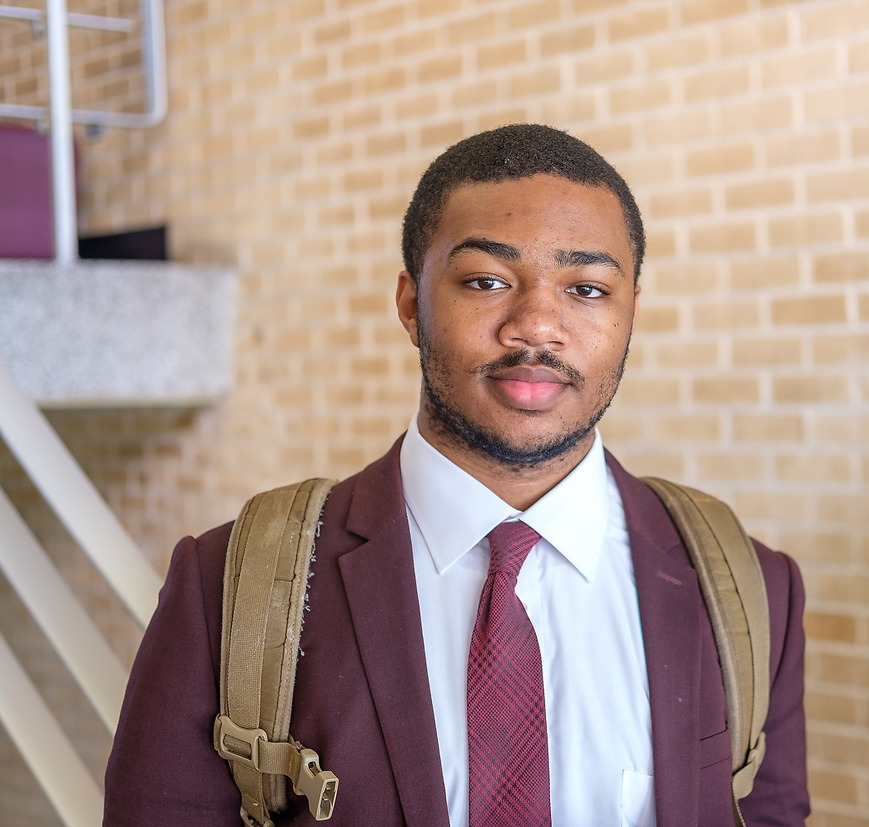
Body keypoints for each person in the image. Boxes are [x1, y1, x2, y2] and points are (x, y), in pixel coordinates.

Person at [103, 124, 808, 826]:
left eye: (587, 289)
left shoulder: (751, 592)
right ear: (412, 305)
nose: (537, 325)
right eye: (486, 281)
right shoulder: (227, 585)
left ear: (632, 314)